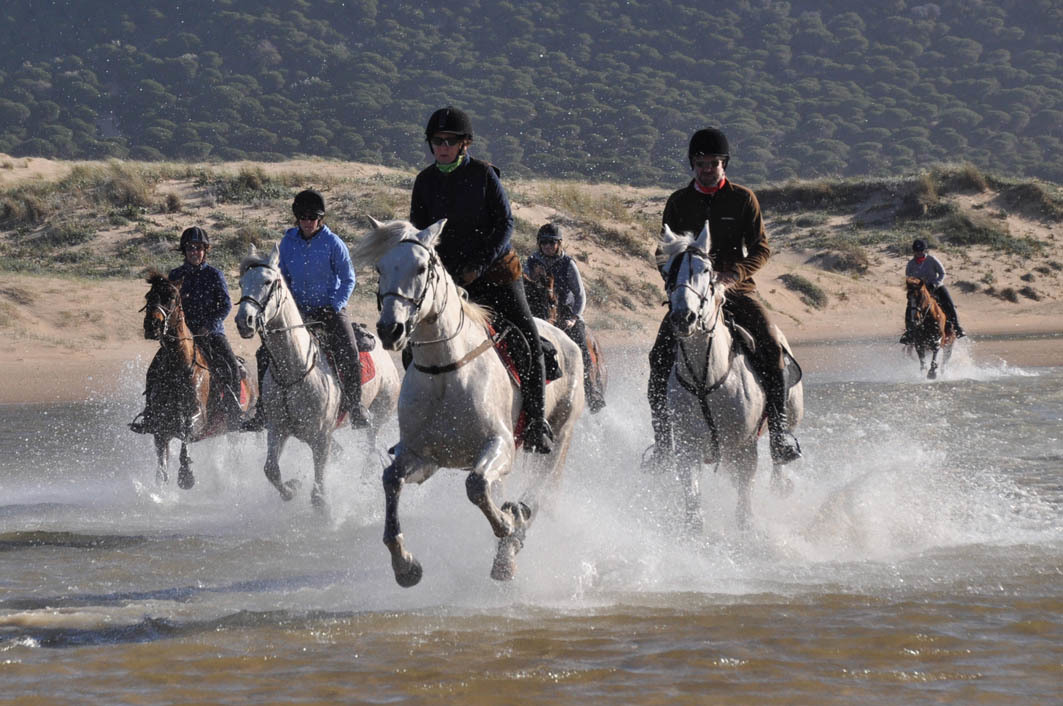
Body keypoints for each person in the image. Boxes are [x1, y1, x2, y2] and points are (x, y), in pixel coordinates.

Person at [646, 127, 801, 468]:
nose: (707, 168)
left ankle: (778, 433)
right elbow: (663, 252)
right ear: (693, 164)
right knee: (658, 358)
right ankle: (661, 444)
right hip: (691, 295)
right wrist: (676, 284)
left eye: (714, 163)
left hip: (735, 291)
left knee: (772, 346)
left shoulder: (743, 198)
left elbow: (762, 247)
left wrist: (736, 274)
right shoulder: (678, 202)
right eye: (701, 163)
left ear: (724, 164)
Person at [409, 105, 554, 453]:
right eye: (437, 141)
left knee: (527, 339)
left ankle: (536, 422)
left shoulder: (484, 175)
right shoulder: (424, 182)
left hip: (497, 275)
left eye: (449, 141)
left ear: (465, 144)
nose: (442, 146)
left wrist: (479, 264)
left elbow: (505, 225)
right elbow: (420, 232)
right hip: (450, 281)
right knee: (413, 342)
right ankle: (417, 424)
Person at [242, 189, 370, 431]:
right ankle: (262, 410)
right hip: (298, 312)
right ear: (297, 218)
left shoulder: (334, 243)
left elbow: (348, 278)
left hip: (330, 309)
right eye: (303, 217)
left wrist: (335, 305)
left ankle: (355, 406)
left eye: (312, 217)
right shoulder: (287, 243)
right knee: (263, 354)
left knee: (349, 349)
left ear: (320, 219)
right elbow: (284, 279)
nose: (308, 222)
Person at [131, 226, 243, 433]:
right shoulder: (175, 274)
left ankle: (234, 411)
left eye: (199, 248)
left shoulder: (214, 275)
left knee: (231, 367)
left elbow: (226, 305)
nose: (195, 252)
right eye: (191, 248)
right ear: (184, 251)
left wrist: (209, 325)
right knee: (154, 369)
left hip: (211, 333)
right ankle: (150, 414)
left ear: (205, 250)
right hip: (181, 335)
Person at [525, 223, 605, 412]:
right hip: (539, 312)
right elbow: (525, 285)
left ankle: (592, 390)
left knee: (582, 347)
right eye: (544, 242)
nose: (547, 246)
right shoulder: (531, 262)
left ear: (559, 244)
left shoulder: (568, 263)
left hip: (567, 314)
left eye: (552, 243)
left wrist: (575, 318)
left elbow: (580, 295)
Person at [900, 238, 966, 342]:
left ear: (925, 250)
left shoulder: (932, 260)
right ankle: (909, 332)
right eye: (917, 251)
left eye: (921, 251)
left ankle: (957, 328)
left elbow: (942, 273)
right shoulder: (910, 264)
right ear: (914, 251)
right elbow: (909, 278)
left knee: (949, 304)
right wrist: (914, 286)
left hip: (936, 287)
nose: (919, 253)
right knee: (910, 307)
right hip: (920, 290)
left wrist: (935, 283)